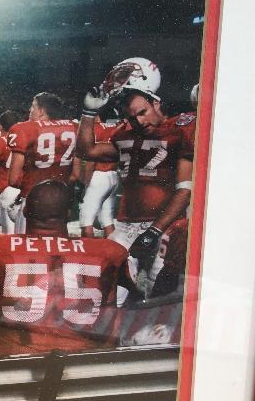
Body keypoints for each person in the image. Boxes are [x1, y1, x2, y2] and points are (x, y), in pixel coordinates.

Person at [0, 180, 128, 356]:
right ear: (68, 213)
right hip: (82, 360)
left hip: (13, 360)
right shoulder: (107, 251)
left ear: (25, 212)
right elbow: (114, 317)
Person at [75, 57, 195, 296]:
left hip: (165, 226)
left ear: (156, 103)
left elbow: (185, 190)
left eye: (142, 112)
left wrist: (155, 231)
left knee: (157, 292)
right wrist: (88, 113)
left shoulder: (180, 130)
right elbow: (86, 150)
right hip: (125, 226)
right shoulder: (124, 134)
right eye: (131, 117)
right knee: (107, 289)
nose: (138, 121)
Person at [0, 93, 78, 235]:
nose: (30, 110)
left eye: (33, 106)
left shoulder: (23, 129)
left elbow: (13, 179)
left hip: (32, 201)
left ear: (41, 111)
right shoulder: (74, 127)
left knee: (27, 250)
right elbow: (76, 175)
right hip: (59, 203)